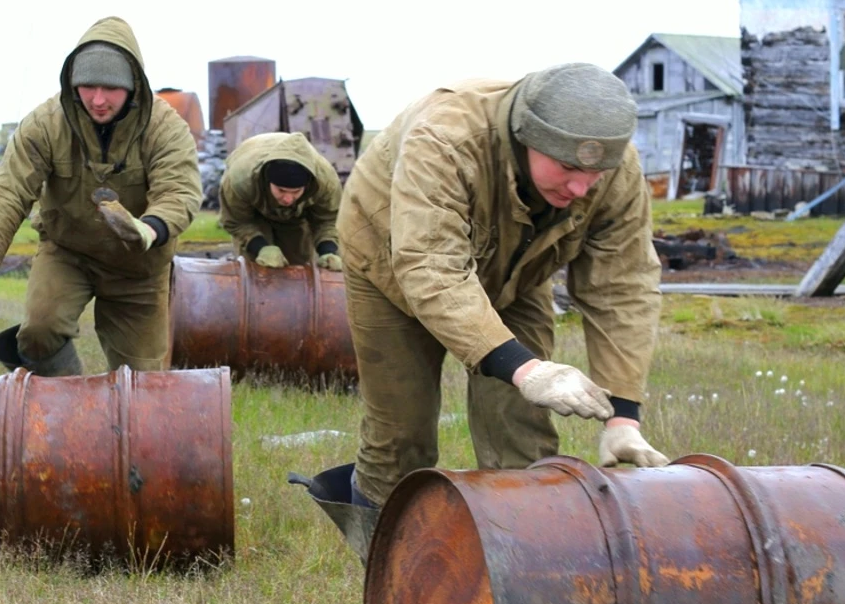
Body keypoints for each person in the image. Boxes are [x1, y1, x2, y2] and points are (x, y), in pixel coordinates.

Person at [330, 63, 668, 514]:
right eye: (567, 167)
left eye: (596, 174)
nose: (582, 187)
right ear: (528, 138)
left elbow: (623, 286)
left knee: (522, 426)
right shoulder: (446, 139)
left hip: (515, 273)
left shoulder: (613, 165)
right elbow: (431, 268)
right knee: (401, 435)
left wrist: (623, 416)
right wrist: (526, 370)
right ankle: (384, 562)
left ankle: (528, 555)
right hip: (391, 263)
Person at [0, 17, 201, 376]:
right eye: (88, 86)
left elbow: (179, 190)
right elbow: (8, 191)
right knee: (39, 334)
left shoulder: (165, 128)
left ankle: (119, 418)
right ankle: (71, 409)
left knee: (143, 380)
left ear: (133, 85)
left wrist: (149, 229)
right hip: (68, 253)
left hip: (139, 266)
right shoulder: (45, 124)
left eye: (111, 88)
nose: (98, 100)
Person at [218, 131, 342, 270]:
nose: (288, 199)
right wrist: (260, 247)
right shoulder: (240, 180)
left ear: (306, 186)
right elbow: (237, 221)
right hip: (255, 211)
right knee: (256, 269)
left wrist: (328, 251)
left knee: (299, 267)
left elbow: (328, 220)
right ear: (269, 181)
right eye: (281, 190)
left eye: (296, 191)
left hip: (297, 215)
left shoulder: (326, 183)